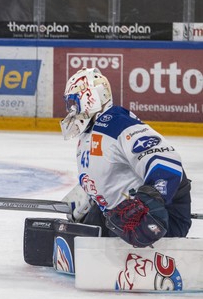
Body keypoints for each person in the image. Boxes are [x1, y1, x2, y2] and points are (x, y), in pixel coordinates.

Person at [59, 67, 192, 248]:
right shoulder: (87, 135)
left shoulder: (115, 122)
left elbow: (165, 160)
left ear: (91, 98)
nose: (71, 110)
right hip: (121, 216)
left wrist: (153, 199)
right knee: (78, 238)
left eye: (74, 103)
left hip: (163, 215)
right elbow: (107, 174)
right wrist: (87, 196)